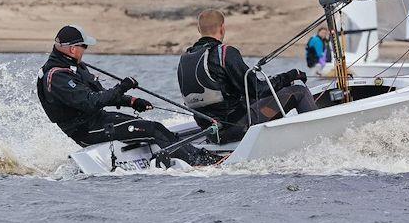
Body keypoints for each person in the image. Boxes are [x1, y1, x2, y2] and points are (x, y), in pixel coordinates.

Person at [37, 24, 216, 167]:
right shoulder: (58, 76)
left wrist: (132, 101)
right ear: (73, 49)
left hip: (99, 119)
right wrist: (122, 87)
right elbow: (91, 102)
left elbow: (101, 94)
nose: (85, 50)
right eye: (84, 46)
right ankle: (197, 162)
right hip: (86, 130)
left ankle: (194, 154)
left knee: (156, 127)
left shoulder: (75, 66)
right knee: (154, 129)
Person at [177, 9, 317, 143]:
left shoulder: (185, 59)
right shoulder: (225, 53)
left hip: (213, 133)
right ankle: (319, 139)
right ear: (222, 28)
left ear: (198, 29)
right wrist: (291, 76)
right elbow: (258, 90)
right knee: (299, 91)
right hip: (236, 128)